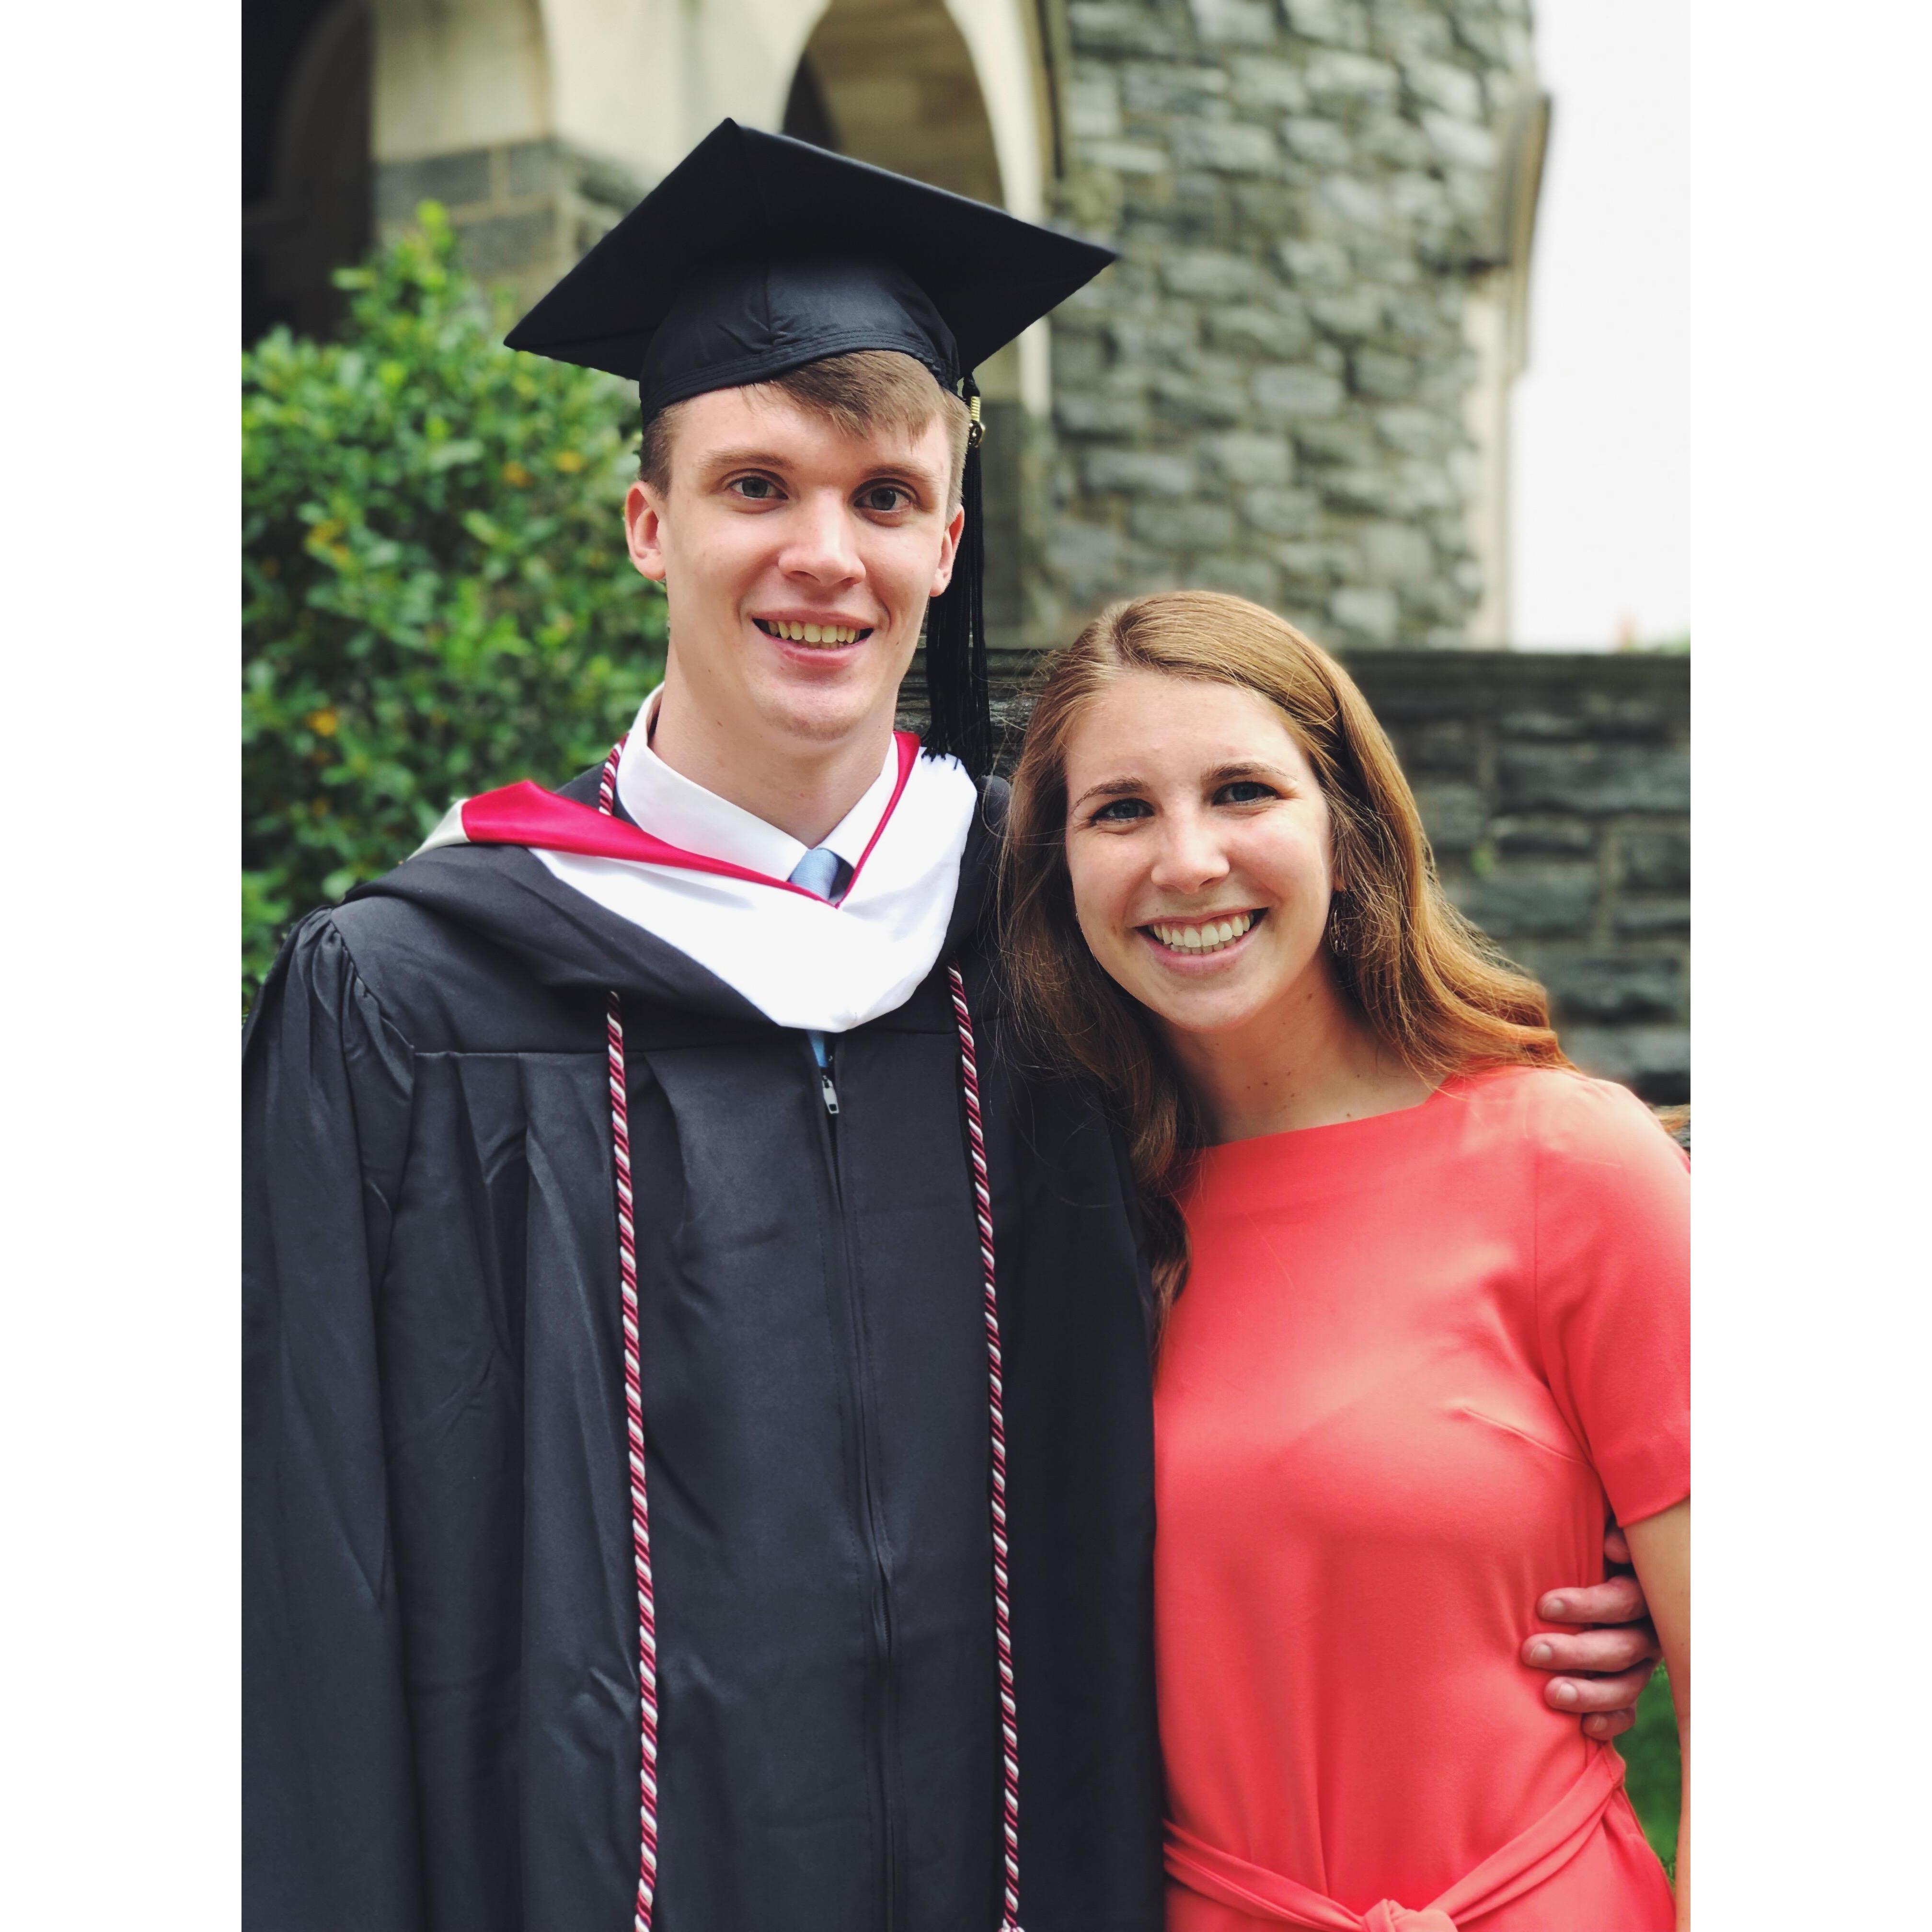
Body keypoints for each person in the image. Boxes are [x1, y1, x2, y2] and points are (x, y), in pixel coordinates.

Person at [244, 125, 1660, 1932]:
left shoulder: (1059, 940)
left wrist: (1550, 1527)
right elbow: (303, 1577)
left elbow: (1346, 1242)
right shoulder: (416, 996)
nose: (823, 554)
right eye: (757, 485)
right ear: (649, 525)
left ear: (946, 538)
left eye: (884, 496)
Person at [1001, 591, 1690, 1932]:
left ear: (1348, 824)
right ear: (1058, 868)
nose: (1188, 860)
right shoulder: (1059, 1221)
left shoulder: (1570, 1164)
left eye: (1243, 791)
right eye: (1121, 811)